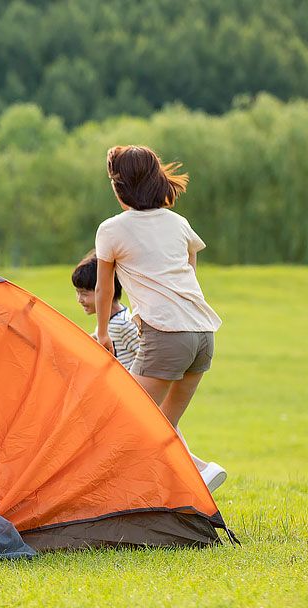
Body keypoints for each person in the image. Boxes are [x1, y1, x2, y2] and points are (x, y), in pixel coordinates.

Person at [93, 145, 227, 492]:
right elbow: (189, 272)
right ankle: (187, 484)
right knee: (162, 425)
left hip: (167, 335)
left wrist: (103, 332)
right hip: (202, 334)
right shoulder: (178, 222)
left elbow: (104, 289)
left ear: (118, 185)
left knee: (128, 412)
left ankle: (196, 469)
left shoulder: (111, 229)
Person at [71, 250, 140, 369]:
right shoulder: (107, 322)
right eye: (78, 293)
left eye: (84, 294)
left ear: (104, 291)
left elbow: (148, 359)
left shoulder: (124, 325)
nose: (79, 299)